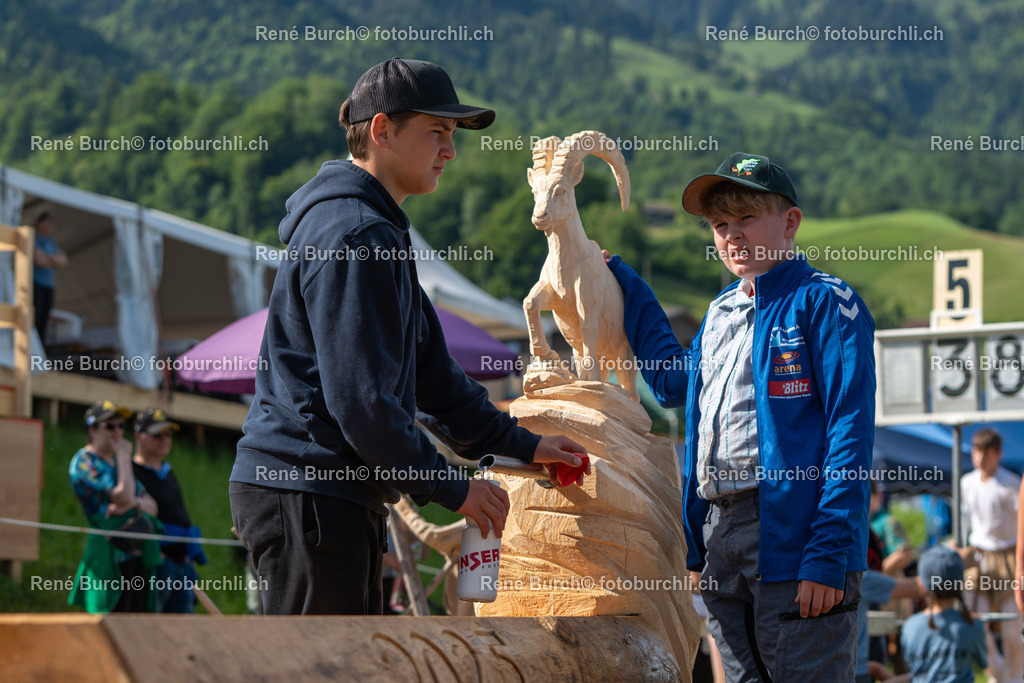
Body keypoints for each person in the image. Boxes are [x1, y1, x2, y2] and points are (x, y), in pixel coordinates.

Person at [229, 58, 588, 616]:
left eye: (452, 135)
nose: (450, 150)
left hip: (330, 492)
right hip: (306, 489)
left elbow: (434, 379)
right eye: (438, 131)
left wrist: (523, 445)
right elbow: (364, 405)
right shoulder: (354, 233)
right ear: (381, 131)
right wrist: (455, 489)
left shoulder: (378, 231)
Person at [605, 152, 875, 679]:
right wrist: (625, 282)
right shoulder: (720, 312)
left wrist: (827, 554)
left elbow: (851, 431)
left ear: (790, 222)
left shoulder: (825, 302)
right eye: (720, 224)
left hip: (796, 536)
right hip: (719, 534)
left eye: (747, 218)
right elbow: (672, 382)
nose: (732, 235)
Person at [68, 400, 161, 613]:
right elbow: (123, 495)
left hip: (135, 553)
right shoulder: (83, 462)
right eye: (110, 426)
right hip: (108, 553)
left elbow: (152, 506)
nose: (117, 432)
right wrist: (123, 457)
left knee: (136, 627)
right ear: (92, 430)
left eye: (120, 426)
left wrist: (134, 503)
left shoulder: (118, 463)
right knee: (108, 626)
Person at [959, 427, 1022, 681]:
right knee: (975, 619)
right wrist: (961, 546)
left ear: (998, 454)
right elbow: (965, 520)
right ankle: (996, 673)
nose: (980, 457)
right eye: (976, 450)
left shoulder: (1011, 484)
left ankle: (1015, 678)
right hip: (978, 557)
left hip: (1008, 556)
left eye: (986, 451)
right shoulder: (967, 482)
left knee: (1012, 625)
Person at [131, 407, 207, 613]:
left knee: (184, 630)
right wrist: (157, 552)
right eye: (157, 435)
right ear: (138, 435)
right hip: (156, 561)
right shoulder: (130, 472)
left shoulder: (168, 472)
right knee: (152, 625)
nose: (164, 440)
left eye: (168, 434)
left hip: (181, 562)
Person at [900, 545, 987, 682]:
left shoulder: (909, 626)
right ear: (961, 583)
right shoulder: (973, 625)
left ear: (922, 584)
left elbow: (912, 670)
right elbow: (986, 664)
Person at [32, 211, 68, 345]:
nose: (48, 226)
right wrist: (53, 259)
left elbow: (63, 261)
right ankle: (33, 348)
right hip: (36, 283)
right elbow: (39, 260)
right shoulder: (34, 238)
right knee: (35, 318)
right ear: (38, 223)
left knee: (44, 320)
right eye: (46, 222)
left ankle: (40, 350)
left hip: (49, 285)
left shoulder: (51, 242)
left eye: (50, 223)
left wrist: (48, 258)